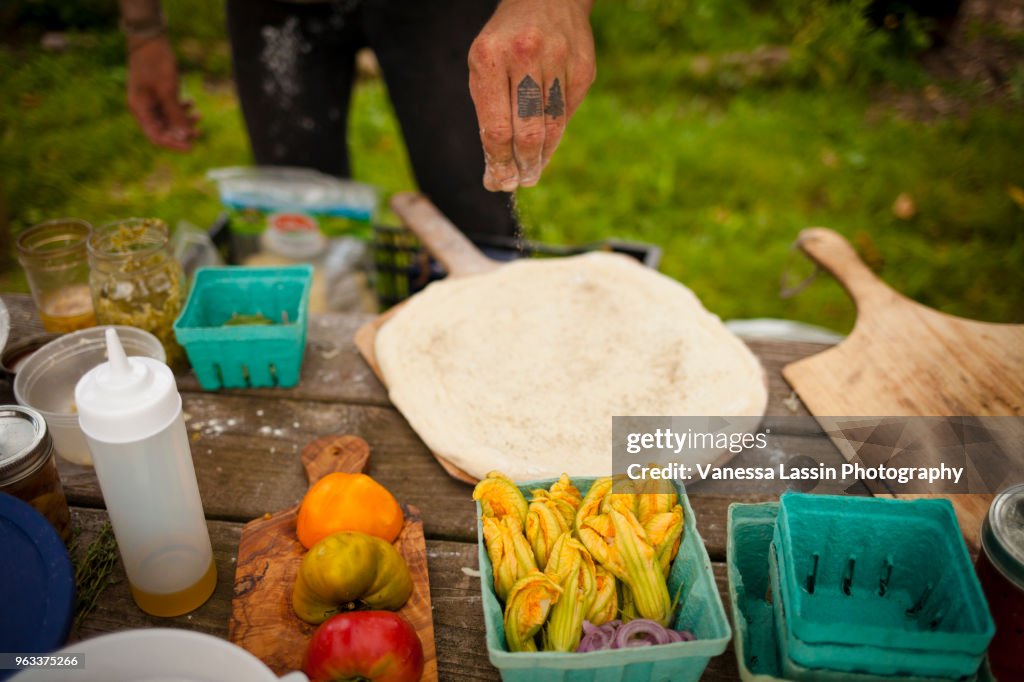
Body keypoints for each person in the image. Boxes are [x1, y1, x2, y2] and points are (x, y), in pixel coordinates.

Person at [118, 0, 596, 239]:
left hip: (438, 10)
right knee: (299, 217)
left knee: (477, 202)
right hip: (277, 9)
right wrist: (143, 30)